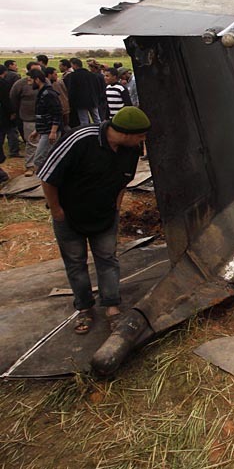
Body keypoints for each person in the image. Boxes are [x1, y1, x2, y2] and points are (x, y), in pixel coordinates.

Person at [38, 106, 150, 334]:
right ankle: (84, 309)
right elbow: (47, 175)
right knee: (76, 263)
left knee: (108, 259)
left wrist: (117, 206)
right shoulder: (80, 139)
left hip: (105, 215)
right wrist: (57, 210)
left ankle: (112, 306)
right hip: (70, 216)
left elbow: (124, 180)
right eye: (140, 136)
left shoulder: (130, 150)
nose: (143, 140)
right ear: (126, 133)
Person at [9, 62, 43, 175]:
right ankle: (30, 166)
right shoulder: (20, 84)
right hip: (28, 117)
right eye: (35, 70)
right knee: (31, 142)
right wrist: (18, 112)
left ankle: (42, 165)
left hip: (44, 117)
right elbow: (13, 98)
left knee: (45, 142)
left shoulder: (45, 82)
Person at [27, 69, 62, 171]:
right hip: (45, 130)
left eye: (30, 80)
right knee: (47, 158)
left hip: (49, 132)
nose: (29, 83)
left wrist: (53, 132)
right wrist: (37, 130)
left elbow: (57, 113)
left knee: (40, 159)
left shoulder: (48, 94)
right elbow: (43, 115)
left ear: (37, 80)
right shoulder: (42, 93)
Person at [65, 57, 104, 125]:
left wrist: (71, 102)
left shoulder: (73, 76)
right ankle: (100, 132)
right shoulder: (92, 75)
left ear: (74, 65)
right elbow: (98, 88)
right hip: (93, 101)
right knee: (97, 119)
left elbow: (71, 90)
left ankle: (87, 134)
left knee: (84, 121)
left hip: (81, 103)